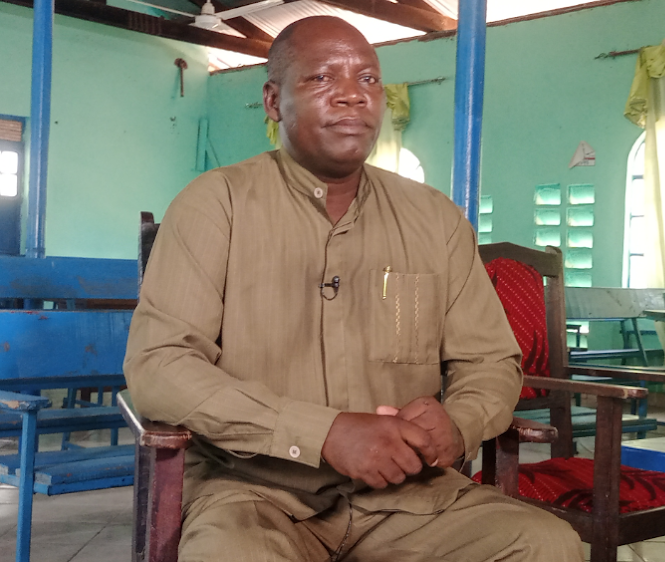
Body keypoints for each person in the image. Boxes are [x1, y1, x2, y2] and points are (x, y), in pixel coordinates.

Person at [124, 15, 584, 562]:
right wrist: (325, 433)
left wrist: (458, 425)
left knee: (546, 546)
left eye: (368, 80)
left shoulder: (434, 218)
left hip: (406, 497)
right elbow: (159, 364)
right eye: (322, 79)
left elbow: (490, 361)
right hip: (253, 492)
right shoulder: (215, 203)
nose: (351, 97)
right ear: (273, 102)